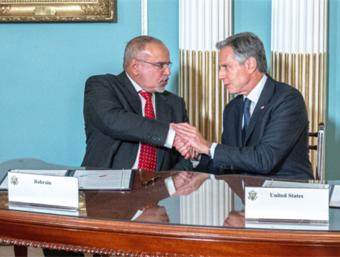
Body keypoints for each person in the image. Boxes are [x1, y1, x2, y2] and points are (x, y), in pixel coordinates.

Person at [173, 32, 313, 180]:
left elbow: (264, 160)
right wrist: (198, 156)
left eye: (226, 67)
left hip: (287, 196)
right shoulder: (232, 108)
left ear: (250, 65)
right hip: (246, 197)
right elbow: (228, 164)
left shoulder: (287, 99)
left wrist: (208, 147)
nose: (220, 75)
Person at [81, 35, 192, 171]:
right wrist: (170, 135)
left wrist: (174, 182)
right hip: (105, 186)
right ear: (135, 67)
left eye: (168, 65)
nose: (168, 72)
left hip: (158, 188)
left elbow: (184, 157)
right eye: (160, 65)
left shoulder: (175, 104)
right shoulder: (102, 85)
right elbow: (113, 120)